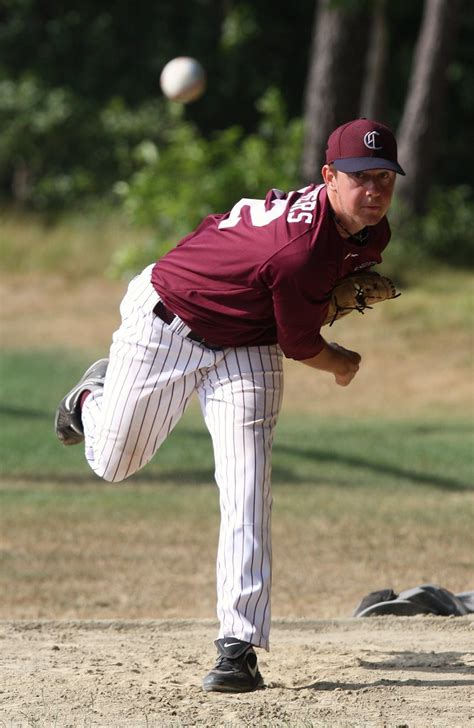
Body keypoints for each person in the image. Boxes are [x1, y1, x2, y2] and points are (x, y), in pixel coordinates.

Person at [55, 118, 405, 693]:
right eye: (360, 177)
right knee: (113, 463)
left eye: (384, 178)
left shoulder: (372, 232)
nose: (374, 191)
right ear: (328, 177)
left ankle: (237, 648)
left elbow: (284, 302)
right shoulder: (299, 250)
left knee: (247, 482)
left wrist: (309, 304)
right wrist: (340, 360)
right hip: (170, 320)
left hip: (247, 342)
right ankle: (92, 395)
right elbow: (301, 342)